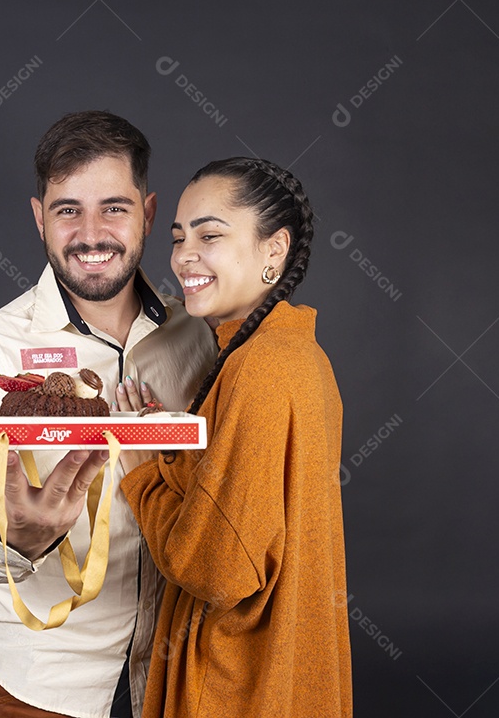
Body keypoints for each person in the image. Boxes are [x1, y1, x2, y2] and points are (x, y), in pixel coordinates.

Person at [0, 110, 216, 718]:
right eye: (68, 210)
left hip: (181, 681)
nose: (92, 234)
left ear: (147, 211)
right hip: (38, 687)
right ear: (39, 217)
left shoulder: (198, 336)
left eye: (113, 208)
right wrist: (10, 536)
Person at [117, 157, 353, 716]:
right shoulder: (293, 355)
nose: (184, 256)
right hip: (282, 679)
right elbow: (250, 517)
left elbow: (219, 568)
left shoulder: (260, 368)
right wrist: (174, 449)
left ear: (275, 250)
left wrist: (145, 471)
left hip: (237, 688)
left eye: (210, 235)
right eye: (178, 238)